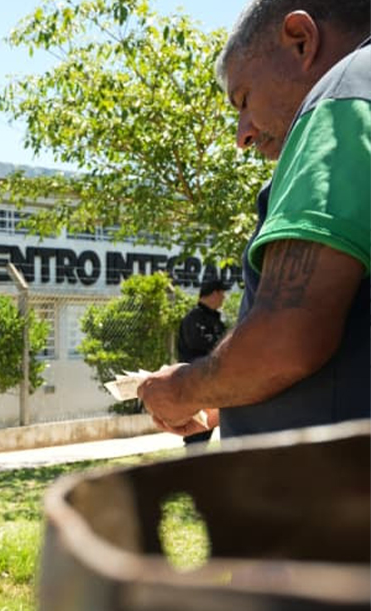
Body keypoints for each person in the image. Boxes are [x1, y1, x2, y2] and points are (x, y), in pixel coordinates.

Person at [138, 0, 369, 439]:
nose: (243, 134)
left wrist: (182, 390)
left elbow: (287, 340)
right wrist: (222, 401)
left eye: (244, 100)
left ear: (301, 40)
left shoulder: (343, 95)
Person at [175, 279, 230, 444]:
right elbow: (198, 345)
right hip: (196, 384)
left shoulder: (216, 320)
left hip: (214, 383)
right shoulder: (193, 318)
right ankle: (191, 465)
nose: (224, 298)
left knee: (211, 428)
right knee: (197, 434)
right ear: (214, 293)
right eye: (222, 293)